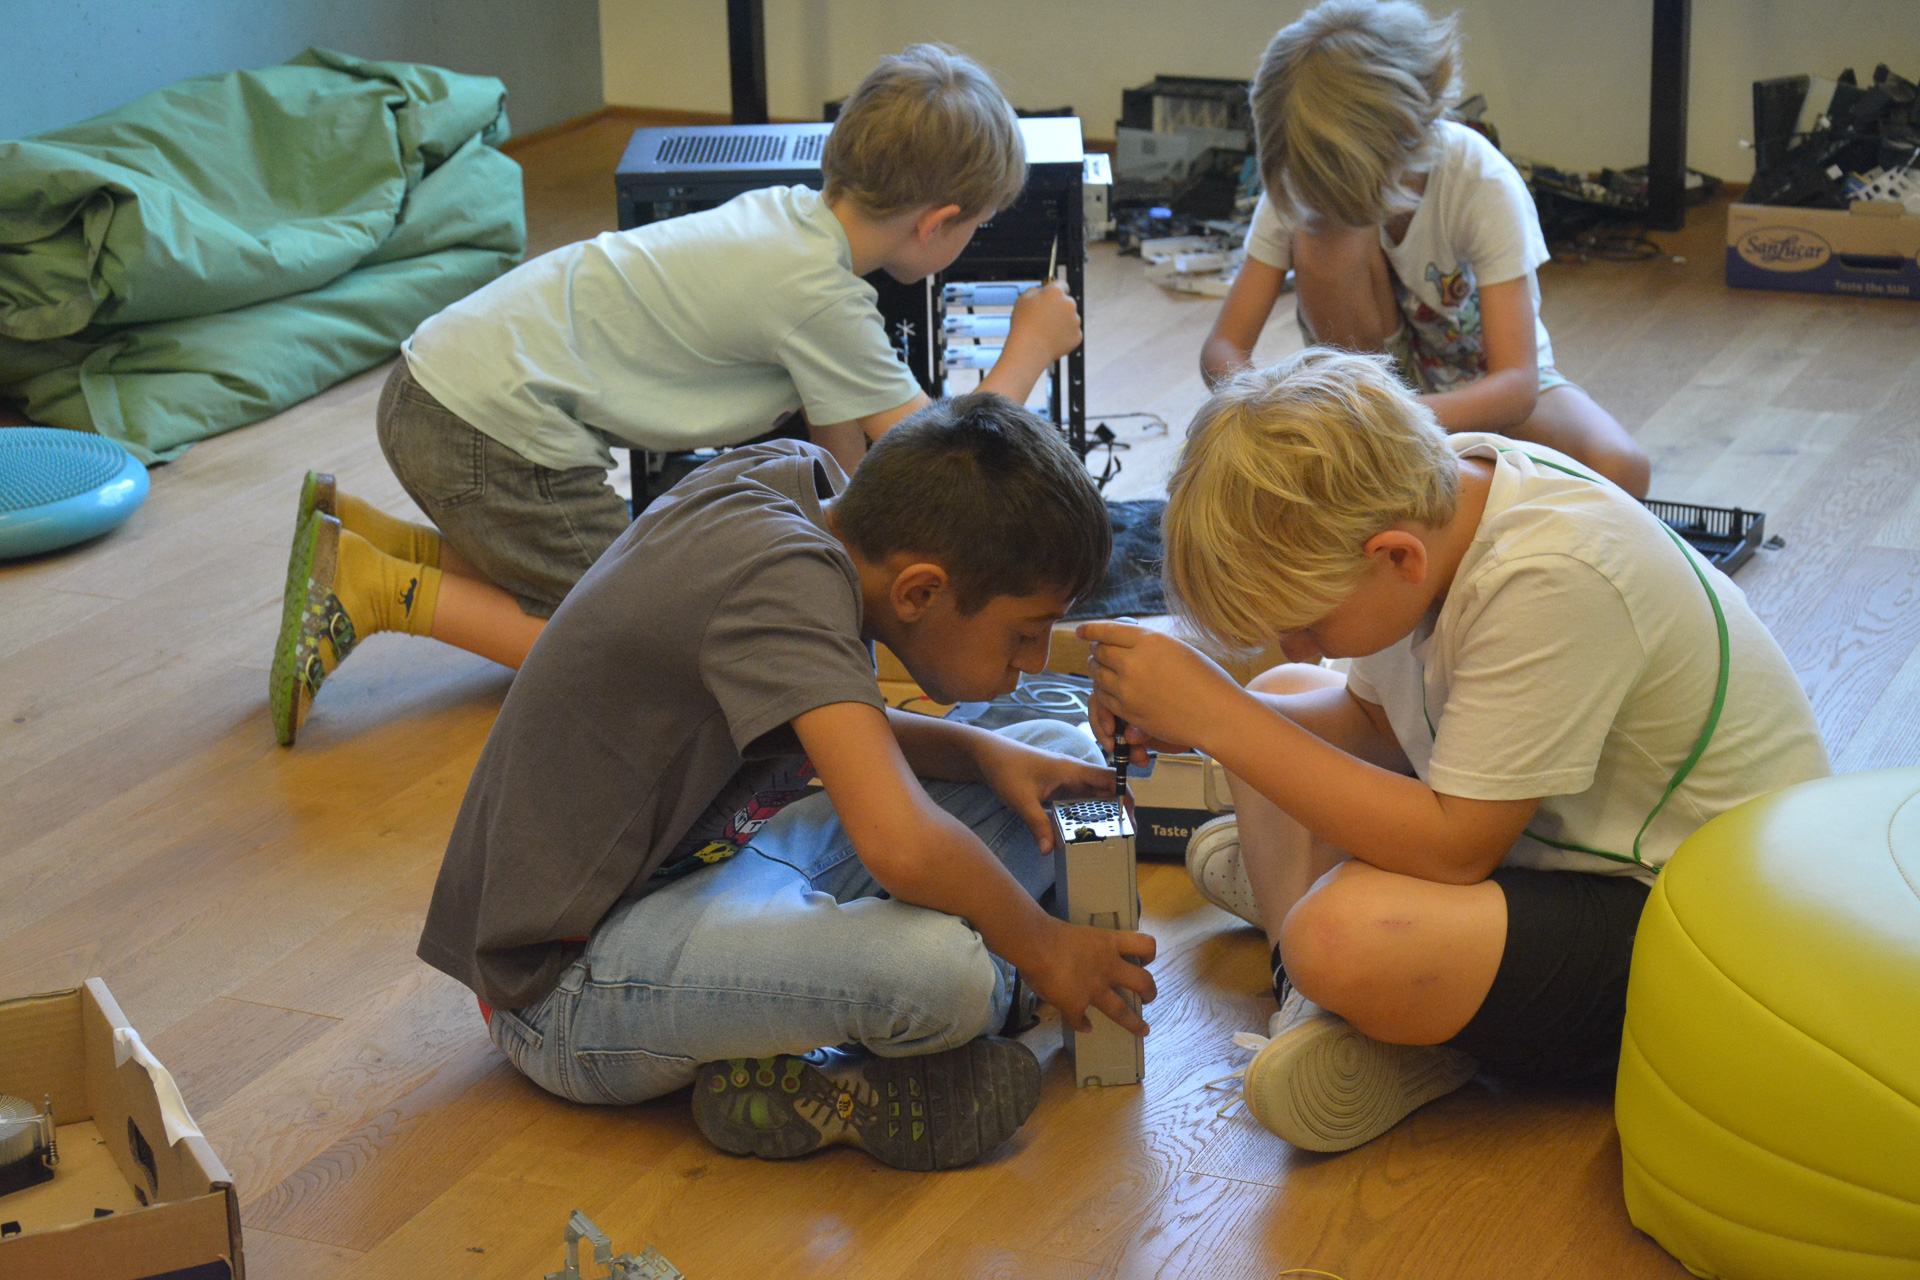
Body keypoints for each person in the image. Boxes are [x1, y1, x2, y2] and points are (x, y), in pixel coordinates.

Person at [1079, 348, 1827, 1153]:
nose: (1302, 643)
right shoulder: (1437, 501)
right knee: (1281, 697)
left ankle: (1368, 996)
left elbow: (1457, 849)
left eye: (1308, 622)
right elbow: (1374, 720)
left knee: (1334, 930)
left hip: (1703, 929)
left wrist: (1221, 719)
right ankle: (1323, 998)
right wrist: (1210, 720)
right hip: (1555, 849)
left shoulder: (1550, 577)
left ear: (1396, 557)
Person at [416, 394, 1157, 1170]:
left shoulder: (807, 493)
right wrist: (1043, 948)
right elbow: (902, 847)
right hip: (564, 986)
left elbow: (829, 724)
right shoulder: (782, 582)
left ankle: (914, 1003)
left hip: (717, 864)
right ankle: (910, 1035)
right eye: (1025, 634)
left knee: (1049, 761)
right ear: (920, 592)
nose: (1033, 662)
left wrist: (981, 755)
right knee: (943, 974)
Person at [268, 43, 1082, 745]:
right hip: (481, 425)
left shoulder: (787, 227)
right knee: (631, 644)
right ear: (938, 223)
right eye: (977, 225)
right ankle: (380, 591)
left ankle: (373, 541)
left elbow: (843, 464)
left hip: (445, 391)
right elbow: (941, 458)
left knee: (591, 577)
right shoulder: (820, 298)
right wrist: (1029, 348)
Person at [1200, 0, 1651, 497]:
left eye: (1347, 189)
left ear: (1406, 137)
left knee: (1621, 467)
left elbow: (1516, 386)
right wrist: (1273, 410)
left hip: (1476, 395)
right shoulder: (1307, 174)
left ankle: (1400, 478)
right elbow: (1223, 348)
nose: (1318, 196)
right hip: (1367, 396)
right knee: (1321, 235)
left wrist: (1390, 422)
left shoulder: (1481, 180)